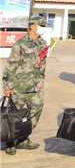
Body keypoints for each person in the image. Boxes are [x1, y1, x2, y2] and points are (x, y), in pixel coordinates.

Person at [2, 16, 49, 155]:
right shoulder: (20, 44)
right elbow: (11, 65)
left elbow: (42, 63)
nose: (42, 28)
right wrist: (7, 86)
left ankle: (22, 138)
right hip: (19, 86)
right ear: (32, 26)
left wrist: (41, 79)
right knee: (14, 115)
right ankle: (10, 141)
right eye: (40, 25)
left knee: (37, 109)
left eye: (44, 25)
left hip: (36, 86)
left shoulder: (42, 43)